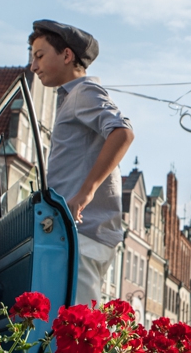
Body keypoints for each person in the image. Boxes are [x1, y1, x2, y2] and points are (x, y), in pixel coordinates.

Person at [28, 20, 134, 307]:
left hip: (82, 235)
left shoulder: (83, 91)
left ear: (66, 55)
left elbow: (122, 132)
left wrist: (85, 192)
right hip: (75, 233)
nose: (33, 67)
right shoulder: (70, 98)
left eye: (39, 56)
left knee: (78, 333)